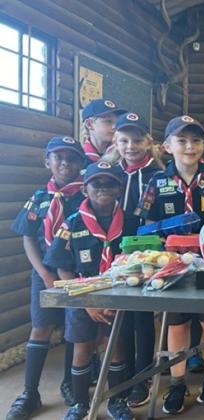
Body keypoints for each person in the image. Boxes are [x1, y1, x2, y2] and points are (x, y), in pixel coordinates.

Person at [135, 115, 204, 415]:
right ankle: (177, 383)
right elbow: (145, 225)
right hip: (172, 264)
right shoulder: (156, 182)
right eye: (182, 141)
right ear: (167, 146)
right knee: (177, 323)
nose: (190, 147)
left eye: (196, 140)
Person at [44, 161, 133, 420]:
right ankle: (80, 403)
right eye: (97, 183)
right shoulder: (72, 224)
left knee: (114, 347)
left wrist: (116, 299)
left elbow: (140, 260)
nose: (103, 188)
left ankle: (117, 401)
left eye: (110, 183)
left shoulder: (131, 221)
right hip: (82, 297)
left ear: (119, 188)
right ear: (85, 189)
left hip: (118, 296)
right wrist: (87, 302)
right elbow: (63, 267)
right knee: (82, 349)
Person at [5, 137, 85, 420]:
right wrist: (44, 274)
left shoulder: (86, 197)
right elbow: (28, 238)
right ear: (47, 161)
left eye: (72, 158)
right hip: (44, 273)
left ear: (81, 163)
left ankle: (69, 383)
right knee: (41, 328)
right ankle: (30, 392)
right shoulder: (39, 198)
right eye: (58, 157)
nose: (65, 163)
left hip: (77, 275)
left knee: (74, 329)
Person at [104, 112, 164, 408]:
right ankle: (124, 373)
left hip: (145, 251)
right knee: (122, 313)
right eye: (124, 140)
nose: (131, 146)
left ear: (148, 142)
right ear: (116, 142)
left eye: (137, 140)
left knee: (143, 315)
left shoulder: (158, 175)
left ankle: (143, 376)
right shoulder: (109, 173)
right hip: (113, 252)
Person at [80, 99, 126, 163]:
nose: (115, 127)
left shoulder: (125, 155)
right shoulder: (78, 157)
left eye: (117, 122)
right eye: (108, 121)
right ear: (89, 124)